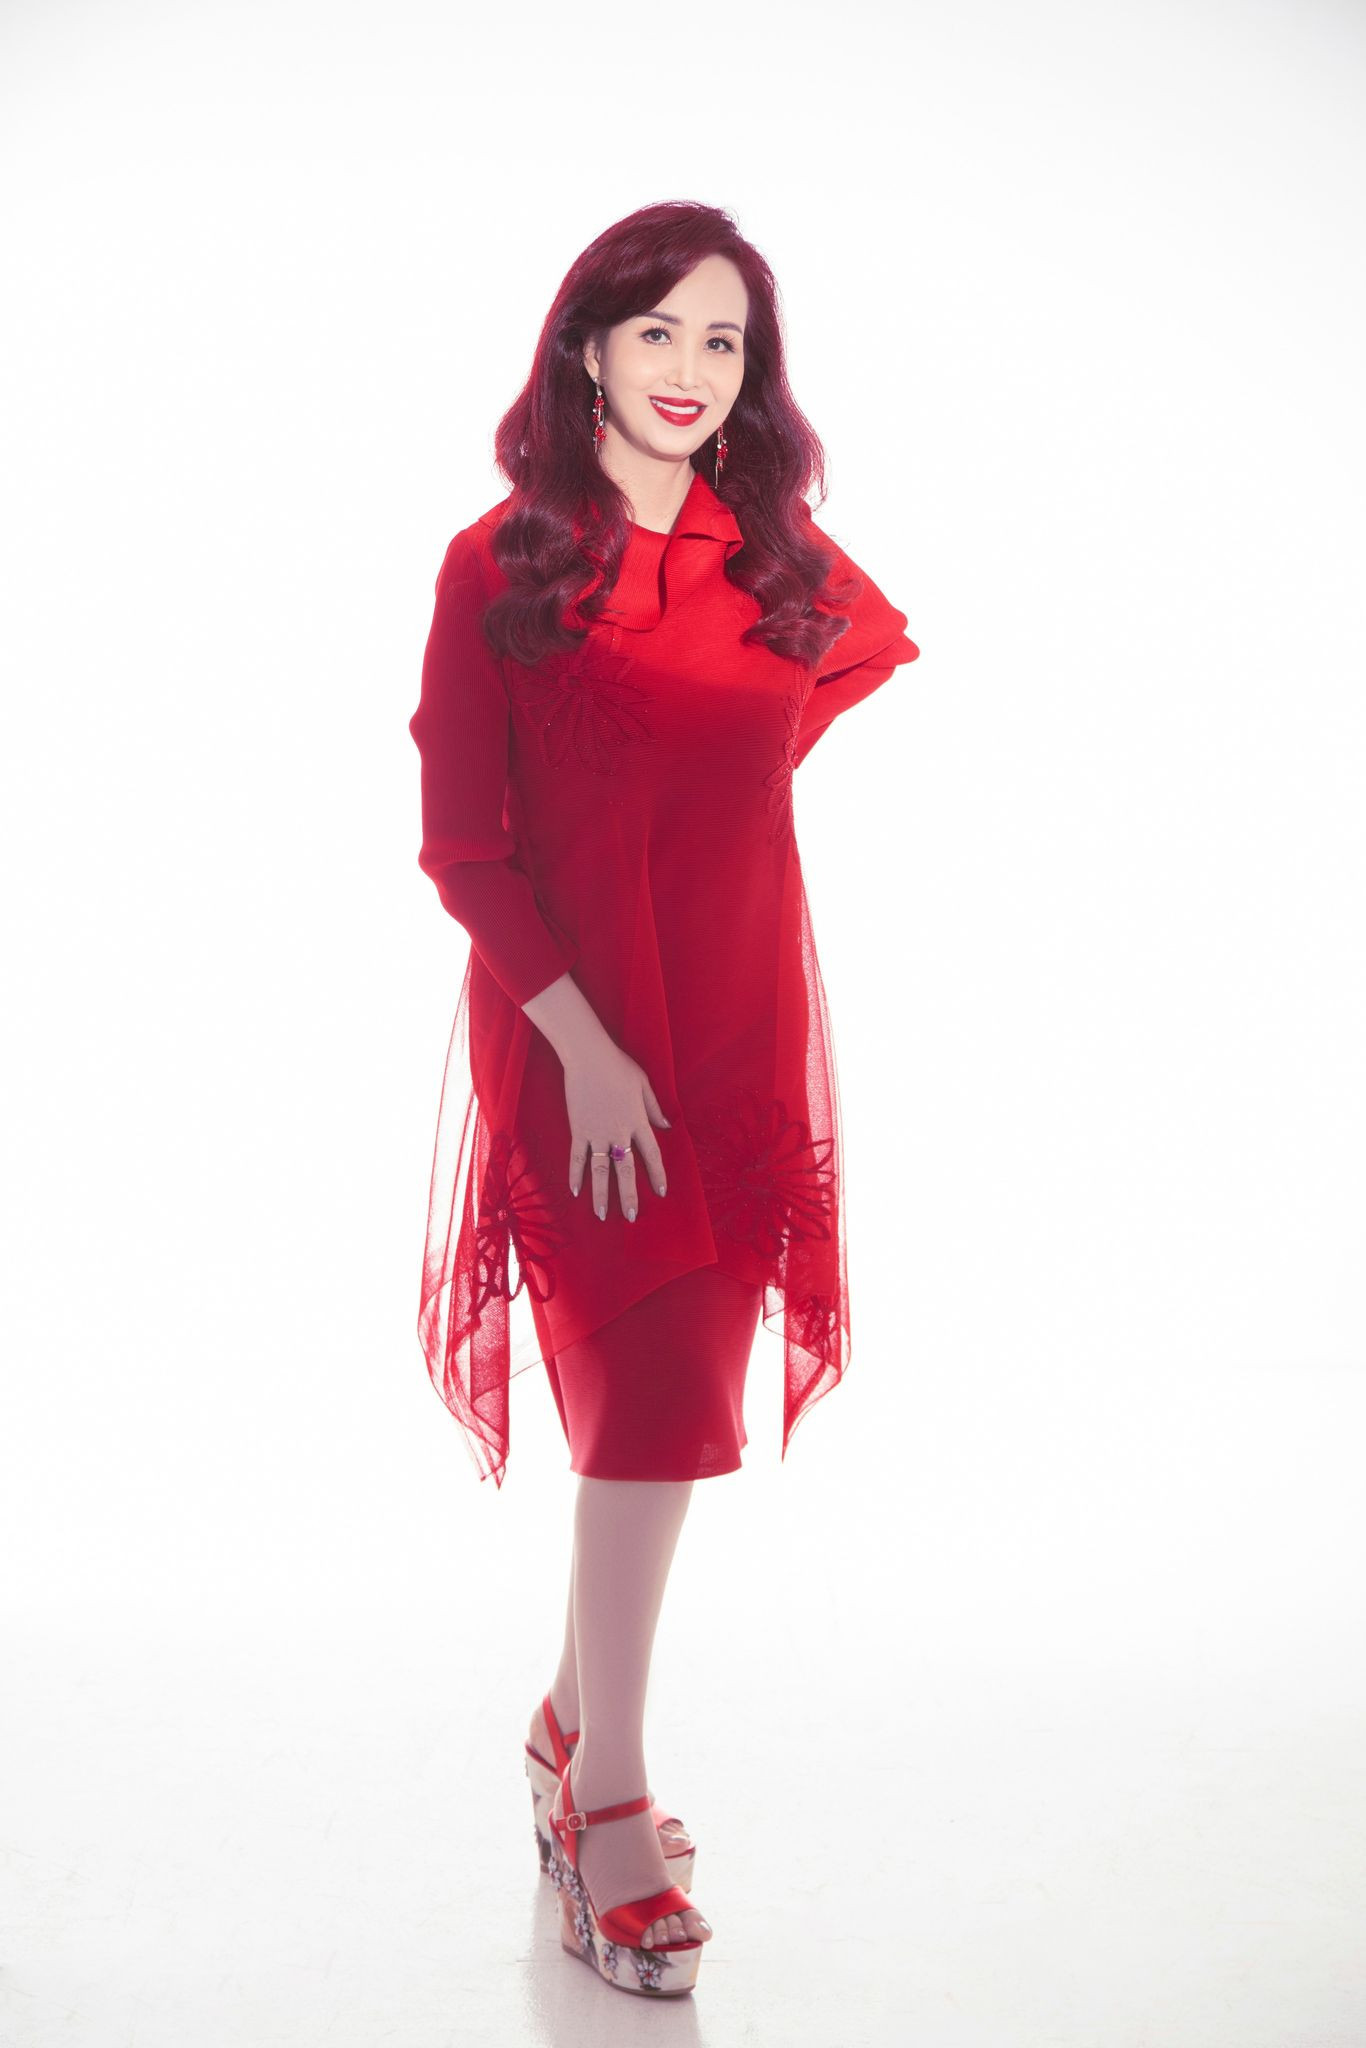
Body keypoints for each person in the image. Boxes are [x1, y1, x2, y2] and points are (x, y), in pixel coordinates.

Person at [408, 200, 920, 1997]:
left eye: (724, 341)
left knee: (677, 1409)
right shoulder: (499, 564)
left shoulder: (776, 565)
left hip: (733, 1032)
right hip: (577, 1045)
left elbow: (788, 714)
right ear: (586, 350)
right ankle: (605, 1799)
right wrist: (586, 1039)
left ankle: (568, 1730)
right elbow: (462, 851)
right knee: (637, 1416)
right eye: (658, 332)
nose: (692, 369)